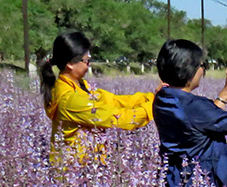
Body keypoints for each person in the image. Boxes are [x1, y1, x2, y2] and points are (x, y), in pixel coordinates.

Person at [152, 39, 227, 187]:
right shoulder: (194, 107)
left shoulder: (162, 98)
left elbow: (205, 120)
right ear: (188, 70)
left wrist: (226, 91)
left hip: (175, 183)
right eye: (201, 66)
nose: (202, 71)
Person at [41, 31, 156, 165]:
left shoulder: (81, 86)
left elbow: (115, 101)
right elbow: (120, 119)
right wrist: (154, 106)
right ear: (70, 64)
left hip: (90, 167)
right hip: (75, 174)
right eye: (86, 60)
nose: (88, 63)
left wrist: (152, 97)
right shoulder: (71, 100)